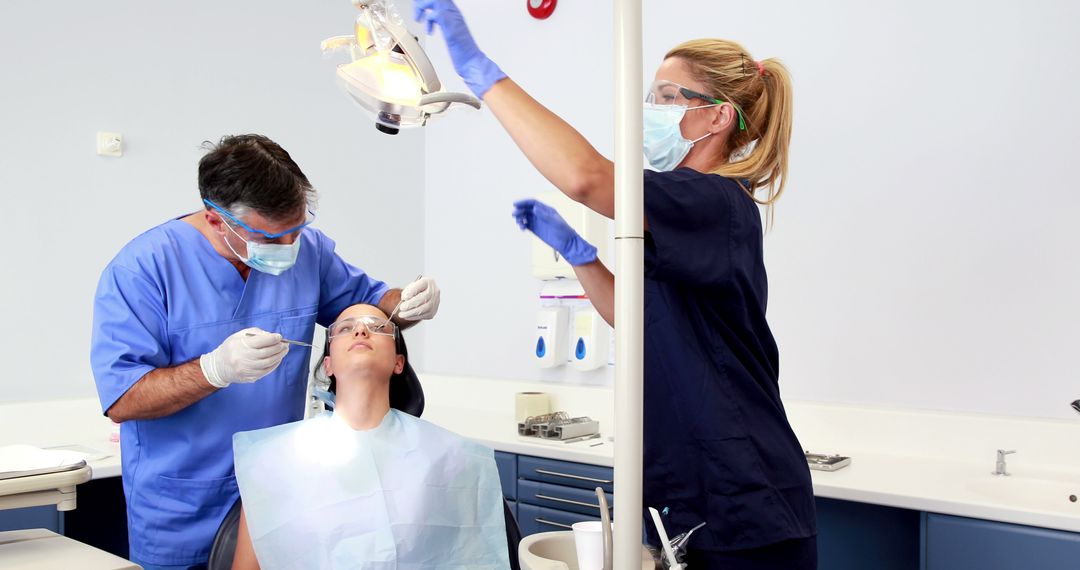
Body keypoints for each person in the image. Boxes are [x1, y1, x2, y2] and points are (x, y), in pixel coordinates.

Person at [414, 2, 816, 568]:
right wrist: (581, 258)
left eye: (666, 96)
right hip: (700, 493)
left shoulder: (714, 201)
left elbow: (588, 176)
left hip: (743, 497)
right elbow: (635, 316)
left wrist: (481, 70)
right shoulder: (679, 214)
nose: (649, 109)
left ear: (718, 117)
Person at [90, 134, 443, 570]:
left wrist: (406, 304)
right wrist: (213, 370)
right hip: (183, 504)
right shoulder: (143, 270)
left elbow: (369, 307)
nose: (287, 249)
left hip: (279, 490)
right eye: (270, 238)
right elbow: (123, 399)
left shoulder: (306, 251)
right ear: (216, 219)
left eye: (296, 231)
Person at [230, 303, 509, 570]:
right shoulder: (271, 460)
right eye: (344, 328)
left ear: (398, 363)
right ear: (328, 365)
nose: (361, 331)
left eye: (377, 327)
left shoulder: (453, 459)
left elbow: (475, 560)